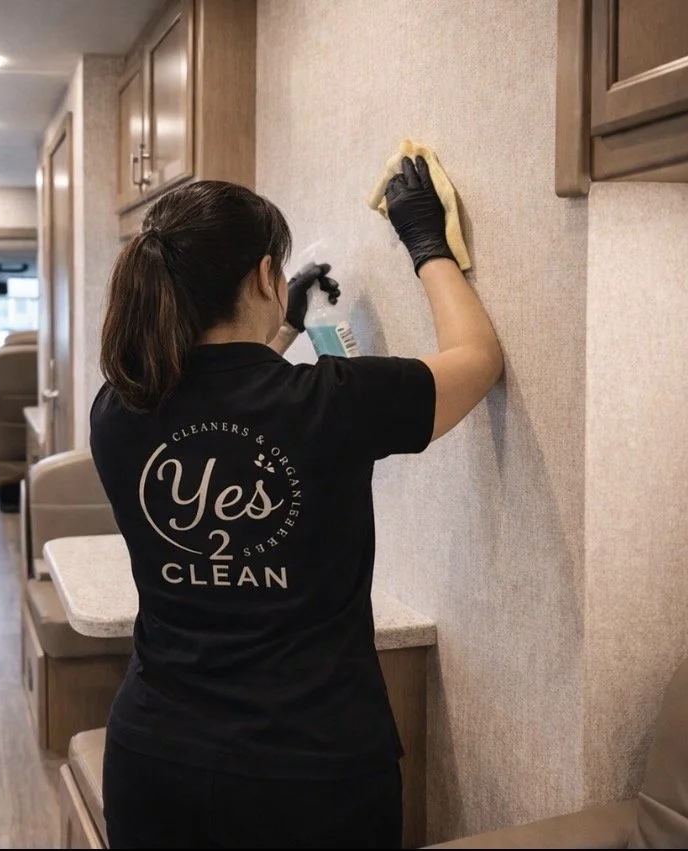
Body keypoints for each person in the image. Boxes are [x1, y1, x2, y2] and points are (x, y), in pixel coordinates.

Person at [89, 158, 502, 849]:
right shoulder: (333, 404)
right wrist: (426, 243)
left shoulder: (118, 408)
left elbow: (232, 407)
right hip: (311, 773)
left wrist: (282, 329)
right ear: (263, 276)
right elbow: (477, 358)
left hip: (154, 759)